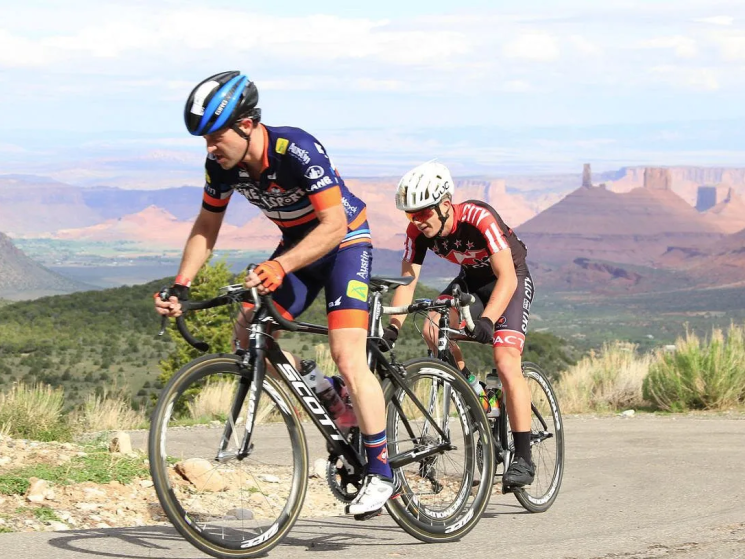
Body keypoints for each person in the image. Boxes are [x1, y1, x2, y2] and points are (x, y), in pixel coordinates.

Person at [154, 71, 392, 516]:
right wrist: (180, 284)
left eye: (214, 136)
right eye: (202, 139)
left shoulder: (296, 148)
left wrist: (279, 264)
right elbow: (207, 227)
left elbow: (334, 225)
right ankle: (330, 396)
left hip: (344, 242)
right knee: (248, 337)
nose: (209, 148)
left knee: (347, 352)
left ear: (246, 125)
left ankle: (382, 472)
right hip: (295, 248)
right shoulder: (221, 166)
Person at [384, 161, 537, 488]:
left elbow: (507, 276)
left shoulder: (478, 218)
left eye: (423, 213)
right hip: (469, 281)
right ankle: (476, 393)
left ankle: (523, 457)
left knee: (506, 361)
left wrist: (486, 321)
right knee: (430, 326)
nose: (417, 222)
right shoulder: (417, 233)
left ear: (444, 205)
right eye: (411, 215)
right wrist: (392, 330)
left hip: (508, 280)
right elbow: (407, 283)